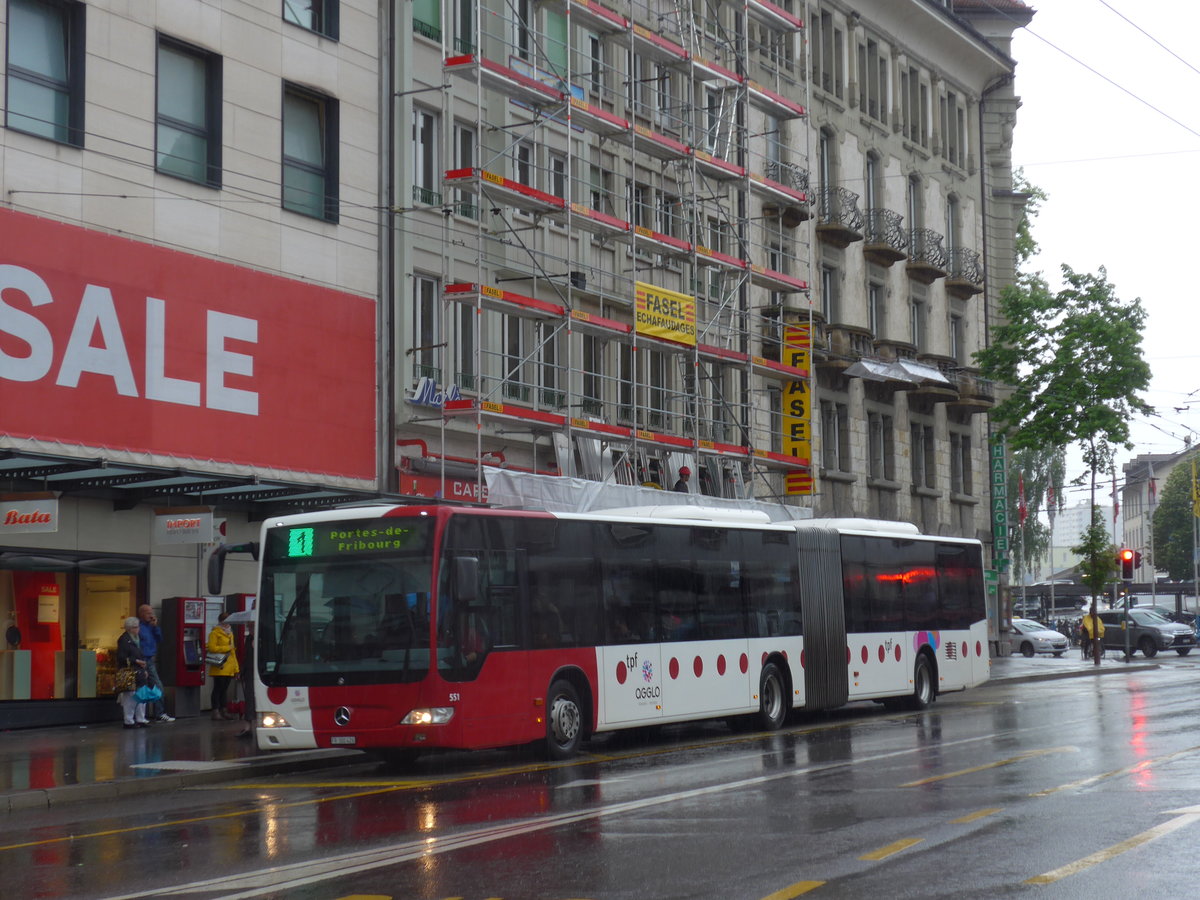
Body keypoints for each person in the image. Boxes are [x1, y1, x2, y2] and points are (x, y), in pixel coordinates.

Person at [137, 604, 174, 723]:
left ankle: (159, 713)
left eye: (151, 612)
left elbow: (159, 639)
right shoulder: (138, 627)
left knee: (157, 687)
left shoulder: (151, 626)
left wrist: (155, 627)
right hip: (141, 660)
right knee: (141, 688)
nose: (151, 615)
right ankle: (138, 716)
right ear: (142, 613)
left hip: (150, 659)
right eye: (148, 613)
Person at [116, 616, 150, 728]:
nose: (138, 629)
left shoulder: (137, 639)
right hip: (129, 671)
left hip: (139, 671)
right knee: (130, 697)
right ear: (129, 628)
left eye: (138, 627)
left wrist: (144, 668)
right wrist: (136, 661)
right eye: (135, 627)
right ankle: (129, 721)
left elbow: (142, 655)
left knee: (142, 695)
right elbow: (121, 657)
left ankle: (141, 718)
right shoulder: (124, 640)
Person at [207, 611, 241, 720]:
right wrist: (226, 648)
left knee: (224, 689)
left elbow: (233, 652)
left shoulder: (230, 633)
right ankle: (215, 711)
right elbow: (211, 648)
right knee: (218, 688)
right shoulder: (215, 633)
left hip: (229, 665)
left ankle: (224, 710)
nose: (227, 624)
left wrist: (236, 668)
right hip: (220, 665)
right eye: (225, 622)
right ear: (221, 621)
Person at [234, 623, 256, 738]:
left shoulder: (261, 637)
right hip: (249, 672)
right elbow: (246, 657)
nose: (249, 629)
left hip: (260, 673)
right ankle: (248, 727)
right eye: (249, 627)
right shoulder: (249, 639)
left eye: (251, 627)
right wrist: (241, 671)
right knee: (249, 699)